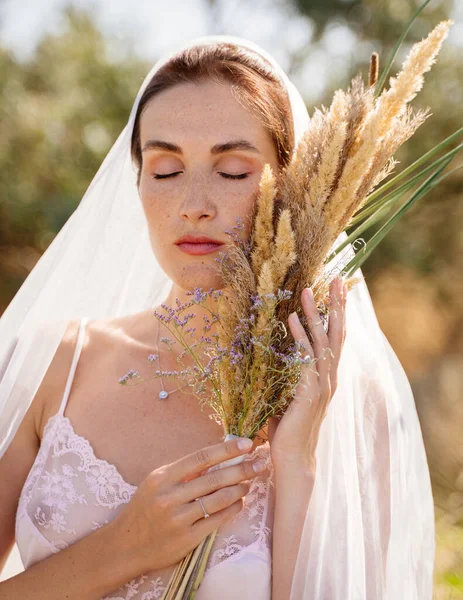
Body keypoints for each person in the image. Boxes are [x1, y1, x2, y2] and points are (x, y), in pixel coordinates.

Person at [0, 35, 435, 599]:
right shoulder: (55, 365)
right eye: (164, 169)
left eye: (232, 171)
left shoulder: (346, 399)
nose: (194, 203)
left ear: (294, 190)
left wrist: (297, 461)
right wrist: (123, 547)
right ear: (135, 184)